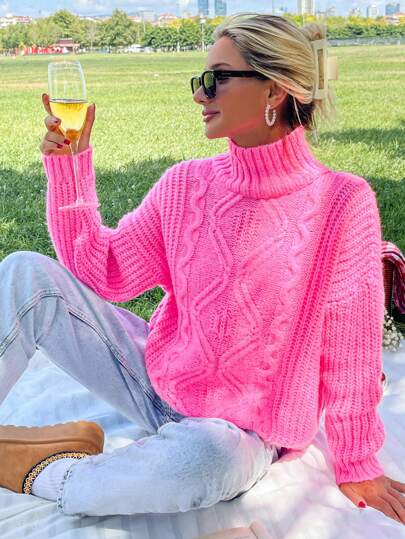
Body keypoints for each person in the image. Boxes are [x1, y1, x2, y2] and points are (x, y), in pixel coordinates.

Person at [0, 12, 404, 524]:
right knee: (24, 273)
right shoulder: (184, 184)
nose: (199, 95)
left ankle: (44, 471)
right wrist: (70, 169)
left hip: (243, 435)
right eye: (200, 79)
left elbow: (352, 353)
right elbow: (106, 271)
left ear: (274, 89)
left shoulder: (341, 203)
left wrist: (357, 461)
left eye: (215, 79)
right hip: (154, 383)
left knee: (203, 460)